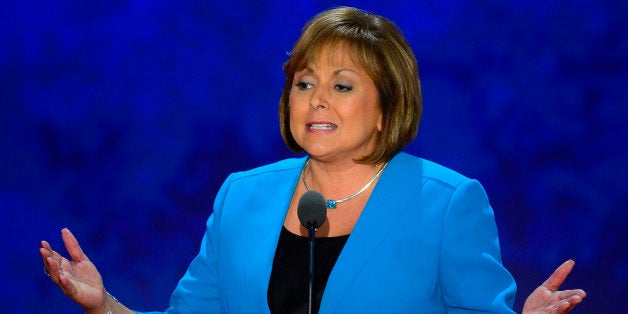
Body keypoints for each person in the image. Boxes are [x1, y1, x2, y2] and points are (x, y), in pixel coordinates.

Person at [39, 6, 586, 313]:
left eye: (342, 85)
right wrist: (105, 306)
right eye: (305, 83)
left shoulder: (447, 204)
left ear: (385, 108)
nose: (316, 99)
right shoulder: (242, 195)